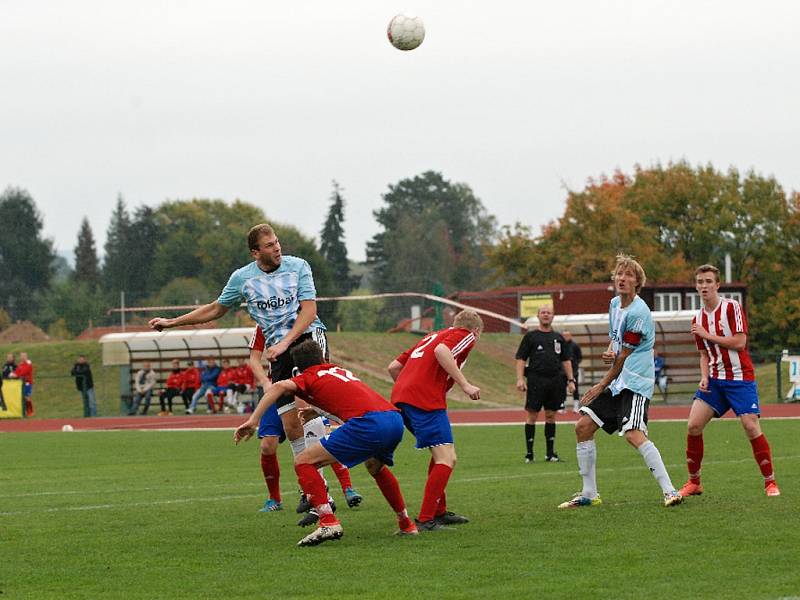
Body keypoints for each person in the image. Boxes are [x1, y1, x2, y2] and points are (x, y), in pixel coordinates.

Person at [148, 223, 347, 507]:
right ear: (256, 253)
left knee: (306, 410)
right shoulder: (243, 278)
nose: (277, 248)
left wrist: (283, 342)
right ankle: (316, 489)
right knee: (291, 427)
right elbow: (216, 308)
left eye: (277, 242)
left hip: (307, 340)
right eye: (269, 246)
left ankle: (329, 476)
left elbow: (310, 310)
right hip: (279, 353)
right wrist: (171, 323)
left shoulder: (298, 266)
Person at [234, 339, 417, 546]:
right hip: (393, 419)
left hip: (369, 423)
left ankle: (328, 522)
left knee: (304, 461)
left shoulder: (307, 376)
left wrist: (253, 420)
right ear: (321, 358)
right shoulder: (338, 370)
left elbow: (278, 387)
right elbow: (345, 396)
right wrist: (316, 410)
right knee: (375, 466)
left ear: (298, 368)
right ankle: (406, 524)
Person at [559, 255, 683, 509]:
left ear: (638, 283)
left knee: (634, 434)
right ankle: (589, 494)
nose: (622, 278)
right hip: (617, 381)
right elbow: (617, 344)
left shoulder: (639, 312)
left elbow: (625, 355)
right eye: (619, 273)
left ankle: (670, 491)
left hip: (635, 383)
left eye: (629, 275)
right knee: (583, 427)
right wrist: (608, 350)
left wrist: (600, 385)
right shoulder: (614, 304)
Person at [678, 264, 780, 498]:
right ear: (696, 286)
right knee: (693, 425)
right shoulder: (698, 318)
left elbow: (739, 343)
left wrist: (707, 334)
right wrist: (704, 376)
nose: (704, 286)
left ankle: (770, 482)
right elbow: (704, 354)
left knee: (750, 426)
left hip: (740, 379)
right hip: (714, 380)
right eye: (700, 282)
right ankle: (694, 483)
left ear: (717, 285)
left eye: (708, 281)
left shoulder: (731, 308)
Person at [249, 324, 362, 520]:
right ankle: (281, 498)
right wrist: (266, 383)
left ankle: (337, 491)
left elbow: (319, 366)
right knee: (269, 444)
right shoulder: (264, 320)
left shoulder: (308, 322)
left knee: (318, 435)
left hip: (303, 384)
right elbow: (254, 358)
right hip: (277, 388)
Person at [387, 309, 483, 531]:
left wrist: (407, 389)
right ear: (476, 331)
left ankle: (438, 511)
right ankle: (426, 519)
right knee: (447, 458)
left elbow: (394, 366)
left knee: (440, 454)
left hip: (402, 398)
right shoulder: (465, 334)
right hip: (425, 400)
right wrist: (465, 385)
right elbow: (442, 351)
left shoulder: (431, 335)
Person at [515, 305, 575, 463]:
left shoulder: (558, 337)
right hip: (536, 380)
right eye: (543, 313)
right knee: (532, 415)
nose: (546, 315)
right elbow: (521, 358)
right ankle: (529, 454)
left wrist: (570, 380)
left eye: (549, 313)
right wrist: (520, 379)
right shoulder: (531, 337)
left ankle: (550, 454)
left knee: (550, 415)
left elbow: (566, 360)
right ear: (538, 316)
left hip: (555, 381)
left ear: (553, 316)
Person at [562, 330, 583, 412]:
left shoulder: (575, 345)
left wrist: (574, 364)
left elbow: (580, 357)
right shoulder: (560, 345)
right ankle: (562, 406)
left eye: (567, 335)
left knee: (575, 388)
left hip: (573, 371)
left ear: (571, 336)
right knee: (561, 389)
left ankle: (576, 406)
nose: (565, 337)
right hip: (562, 372)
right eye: (564, 335)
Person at [9, 352, 35, 416]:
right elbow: (17, 371)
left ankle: (30, 411)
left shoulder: (28, 364)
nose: (22, 357)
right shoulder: (21, 364)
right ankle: (25, 411)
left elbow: (24, 372)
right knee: (23, 397)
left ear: (26, 357)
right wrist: (12, 374)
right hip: (21, 383)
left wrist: (16, 375)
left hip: (27, 383)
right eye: (21, 356)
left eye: (24, 356)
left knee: (27, 397)